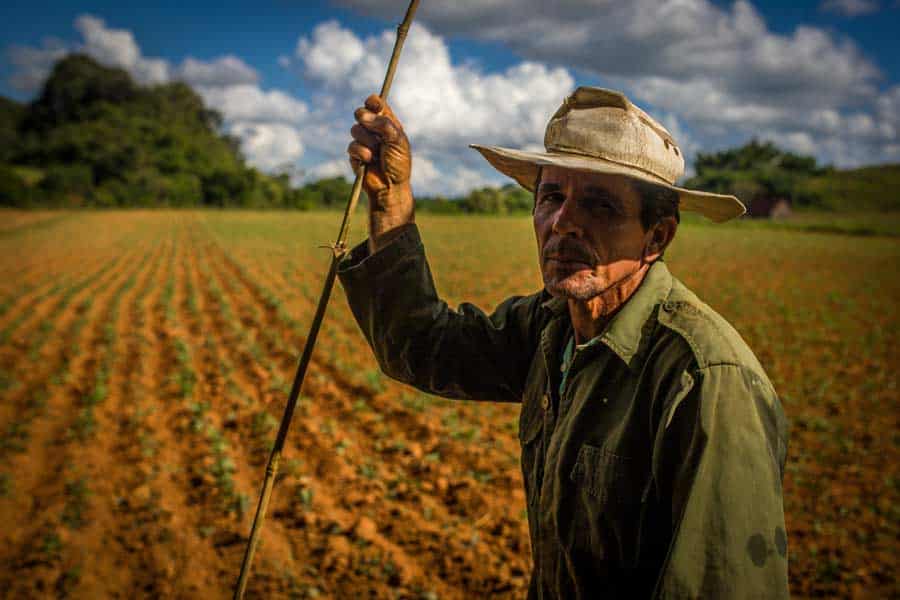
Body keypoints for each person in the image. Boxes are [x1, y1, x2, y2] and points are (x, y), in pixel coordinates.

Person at [338, 86, 790, 599]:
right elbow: (422, 348)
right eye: (552, 197)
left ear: (657, 237)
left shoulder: (705, 381)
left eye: (600, 205)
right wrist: (390, 198)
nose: (563, 223)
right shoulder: (552, 326)